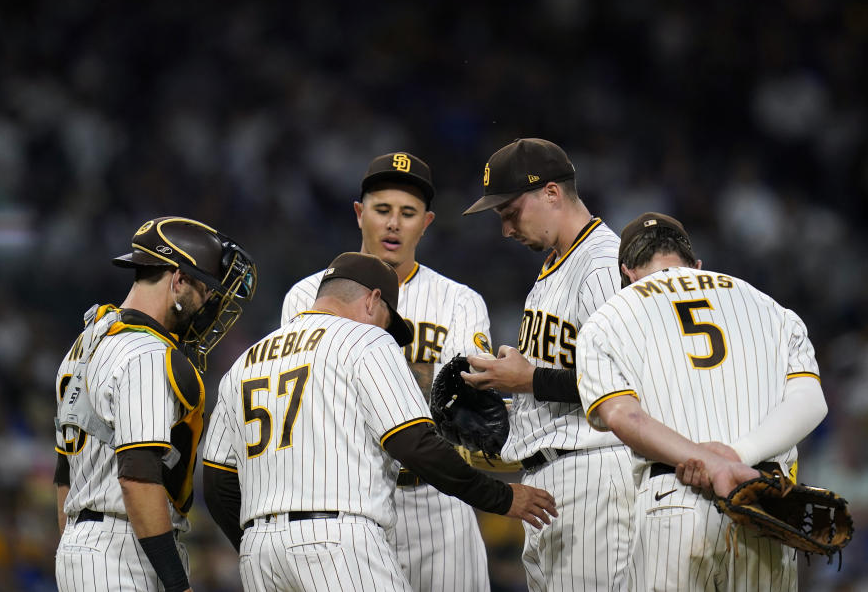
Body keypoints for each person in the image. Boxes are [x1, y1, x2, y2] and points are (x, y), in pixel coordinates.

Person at [201, 252, 557, 592]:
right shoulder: (365, 339)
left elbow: (218, 483)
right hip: (338, 543)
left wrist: (257, 543)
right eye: (387, 320)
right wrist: (500, 496)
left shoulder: (243, 363)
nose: (385, 330)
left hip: (259, 554)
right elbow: (416, 446)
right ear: (372, 300)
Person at [279, 152, 498, 592]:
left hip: (437, 500)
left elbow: (459, 399)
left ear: (427, 222)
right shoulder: (307, 294)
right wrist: (413, 374)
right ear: (360, 214)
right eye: (382, 210)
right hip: (348, 501)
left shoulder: (459, 300)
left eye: (408, 213)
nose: (394, 224)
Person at [576, 212, 829, 591]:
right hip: (762, 500)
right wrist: (735, 457)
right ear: (695, 265)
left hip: (674, 497)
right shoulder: (771, 308)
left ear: (626, 272)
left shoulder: (609, 317)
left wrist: (708, 462)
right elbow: (811, 402)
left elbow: (620, 413)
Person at [461, 138, 635, 591]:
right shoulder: (554, 269)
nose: (505, 229)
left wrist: (528, 378)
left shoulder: (601, 265)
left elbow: (629, 381)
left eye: (510, 212)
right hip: (549, 484)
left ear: (552, 193)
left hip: (595, 472)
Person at [53, 216, 258, 592]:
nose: (209, 305)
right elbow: (137, 477)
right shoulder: (147, 353)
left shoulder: (86, 342)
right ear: (178, 279)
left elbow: (63, 476)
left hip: (84, 546)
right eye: (206, 290)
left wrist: (77, 551)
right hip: (123, 550)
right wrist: (178, 585)